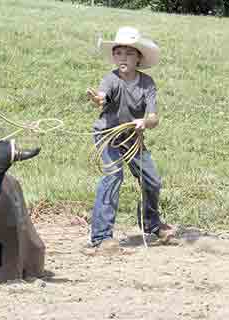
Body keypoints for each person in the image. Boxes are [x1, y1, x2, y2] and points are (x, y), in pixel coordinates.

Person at [85, 26, 176, 254]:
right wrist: (98, 99)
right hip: (108, 135)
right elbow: (102, 96)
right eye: (118, 53)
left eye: (128, 53)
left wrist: (144, 122)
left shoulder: (147, 84)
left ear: (139, 58)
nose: (122, 58)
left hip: (133, 137)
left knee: (152, 179)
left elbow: (154, 117)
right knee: (113, 176)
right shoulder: (111, 79)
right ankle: (101, 237)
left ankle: (151, 224)